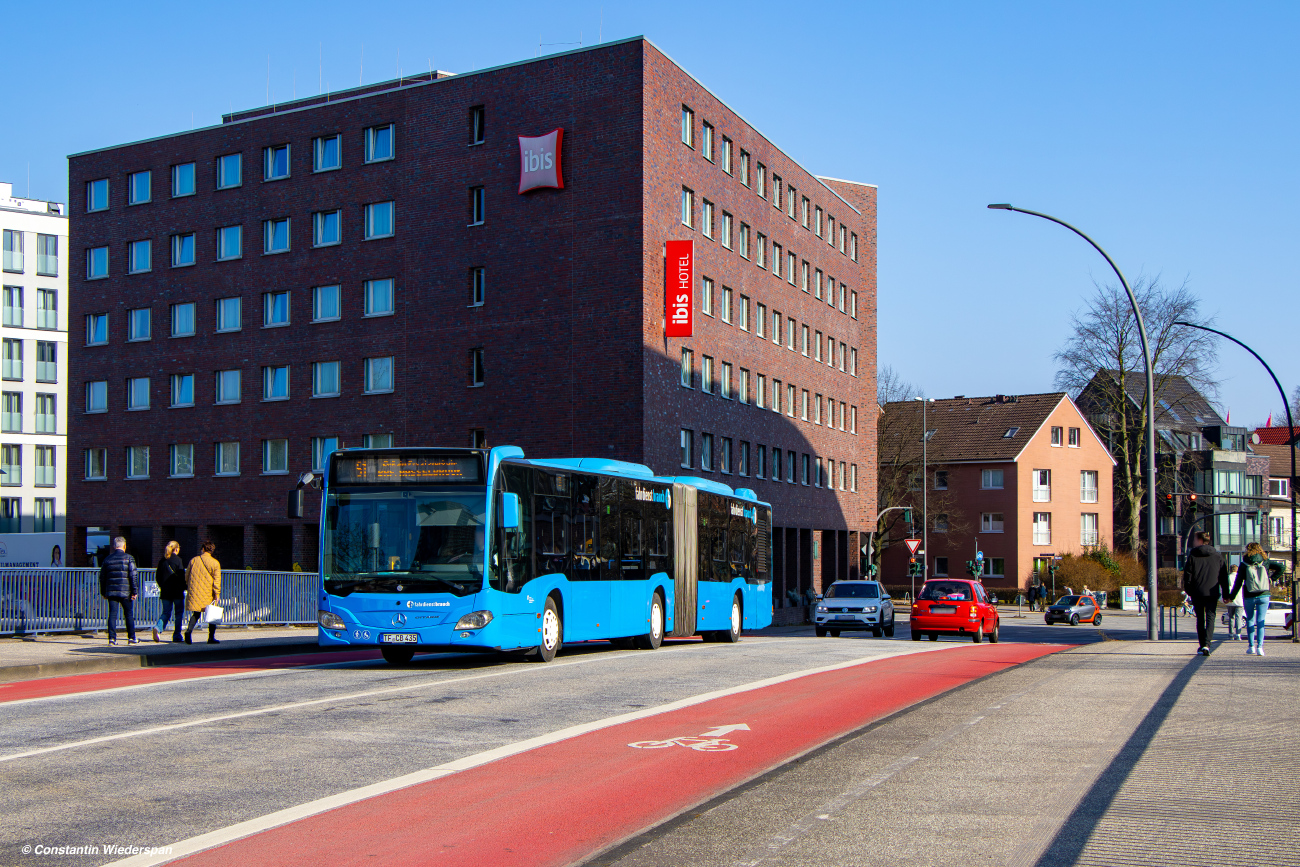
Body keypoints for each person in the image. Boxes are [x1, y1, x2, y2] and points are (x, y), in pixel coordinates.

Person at [1228, 542, 1284, 656]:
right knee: (1261, 621)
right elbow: (1281, 567)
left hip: (1249, 595)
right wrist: (1272, 579)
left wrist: (1231, 597)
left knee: (1250, 620)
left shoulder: (1244, 563)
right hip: (1264, 594)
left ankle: (1251, 646)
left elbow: (1238, 582)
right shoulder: (1265, 561)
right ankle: (1260, 647)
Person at [1182, 531, 1230, 656]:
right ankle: (1207, 645)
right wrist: (1226, 594)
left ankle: (1202, 644)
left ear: (1200, 541)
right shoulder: (1218, 556)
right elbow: (1223, 577)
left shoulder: (1193, 556)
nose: (1193, 542)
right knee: (1210, 618)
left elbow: (1187, 576)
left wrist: (1189, 591)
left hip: (1197, 592)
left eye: (1195, 539)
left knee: (1200, 619)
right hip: (1212, 593)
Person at [98, 536, 139, 645]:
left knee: (112, 614)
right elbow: (133, 576)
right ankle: (131, 637)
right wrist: (134, 591)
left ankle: (112, 638)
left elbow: (102, 577)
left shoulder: (107, 559)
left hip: (111, 591)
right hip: (126, 591)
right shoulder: (129, 558)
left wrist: (103, 592)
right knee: (128, 614)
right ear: (124, 546)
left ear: (114, 546)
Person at [184, 541, 222, 645]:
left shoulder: (194, 560)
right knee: (212, 614)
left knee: (196, 614)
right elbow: (216, 580)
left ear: (203, 549)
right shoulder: (215, 563)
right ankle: (211, 637)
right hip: (208, 592)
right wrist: (217, 594)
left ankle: (188, 631)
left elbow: (187, 576)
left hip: (195, 591)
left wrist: (189, 586)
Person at [154, 541, 187, 643]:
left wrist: (163, 586)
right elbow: (182, 576)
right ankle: (177, 635)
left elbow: (158, 577)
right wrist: (184, 587)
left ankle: (158, 628)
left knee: (166, 612)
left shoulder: (162, 561)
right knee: (178, 614)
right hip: (177, 592)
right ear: (176, 549)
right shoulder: (178, 560)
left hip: (165, 591)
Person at [1222, 562, 1245, 642]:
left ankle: (1231, 634)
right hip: (1239, 600)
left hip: (1230, 601)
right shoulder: (1240, 577)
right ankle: (1238, 634)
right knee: (1239, 617)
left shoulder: (1228, 577)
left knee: (1231, 617)